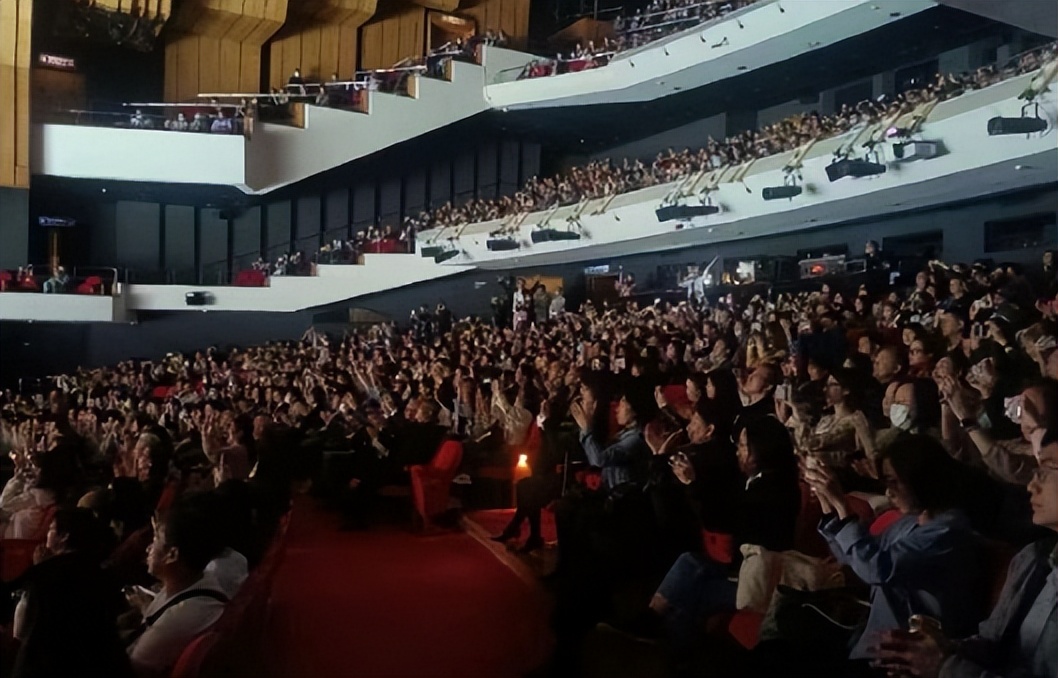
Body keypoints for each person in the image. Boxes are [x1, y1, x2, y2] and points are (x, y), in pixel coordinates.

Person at [871, 429, 1058, 678]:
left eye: (1047, 471)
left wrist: (944, 667)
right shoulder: (1035, 558)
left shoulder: (948, 527)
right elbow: (992, 640)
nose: (1032, 486)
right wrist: (943, 649)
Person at [805, 435, 986, 670]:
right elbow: (855, 560)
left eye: (894, 482)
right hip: (871, 643)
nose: (888, 492)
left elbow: (876, 568)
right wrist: (826, 501)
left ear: (920, 480)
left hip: (901, 660)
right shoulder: (909, 523)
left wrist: (842, 505)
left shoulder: (948, 533)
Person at [4, 508, 134, 678]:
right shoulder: (102, 573)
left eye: (51, 529)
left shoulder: (47, 576)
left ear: (64, 536)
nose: (47, 535)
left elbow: (24, 633)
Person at [126, 495, 228, 677]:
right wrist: (145, 607)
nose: (149, 548)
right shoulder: (198, 582)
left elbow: (131, 667)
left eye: (156, 539)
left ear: (172, 555)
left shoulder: (177, 620)